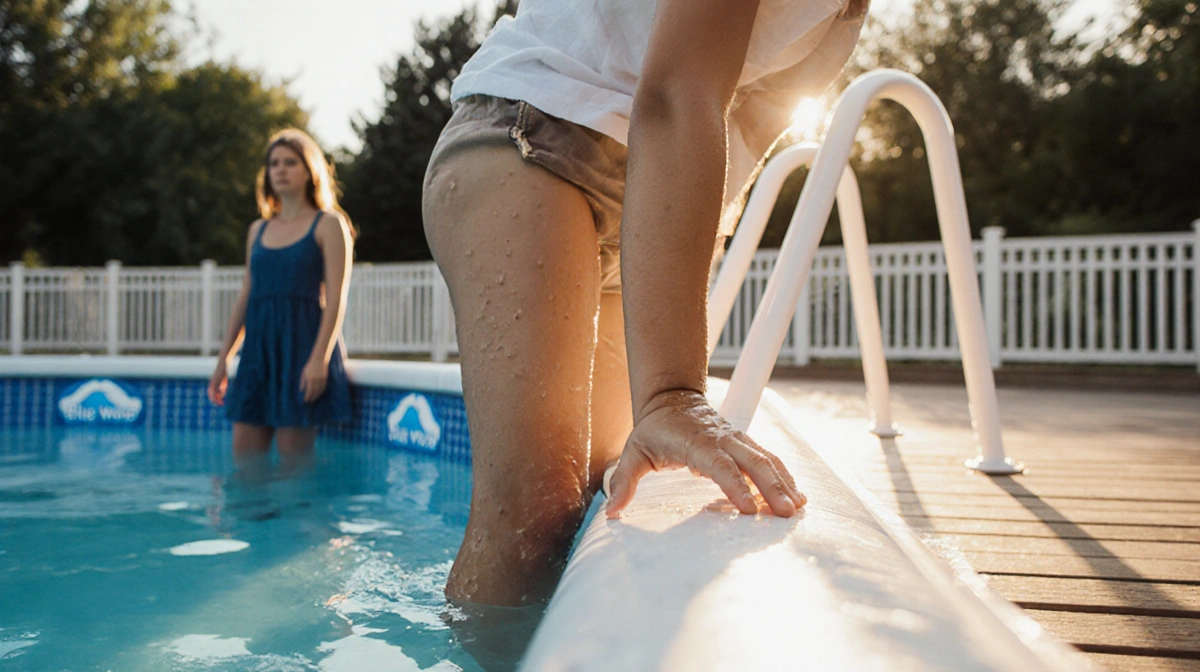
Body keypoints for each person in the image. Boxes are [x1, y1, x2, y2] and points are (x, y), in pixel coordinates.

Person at [423, 0, 867, 608]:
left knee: (589, 502)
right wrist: (673, 392)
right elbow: (677, 92)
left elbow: (744, 116)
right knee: (534, 519)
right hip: (538, 137)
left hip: (637, 202)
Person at [208, 128, 356, 471]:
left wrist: (318, 359)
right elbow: (247, 295)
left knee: (295, 471)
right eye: (274, 163)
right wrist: (223, 360)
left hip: (302, 350)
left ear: (310, 170)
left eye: (291, 162)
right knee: (244, 467)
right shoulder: (257, 230)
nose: (281, 170)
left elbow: (336, 299)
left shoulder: (329, 224)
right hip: (258, 353)